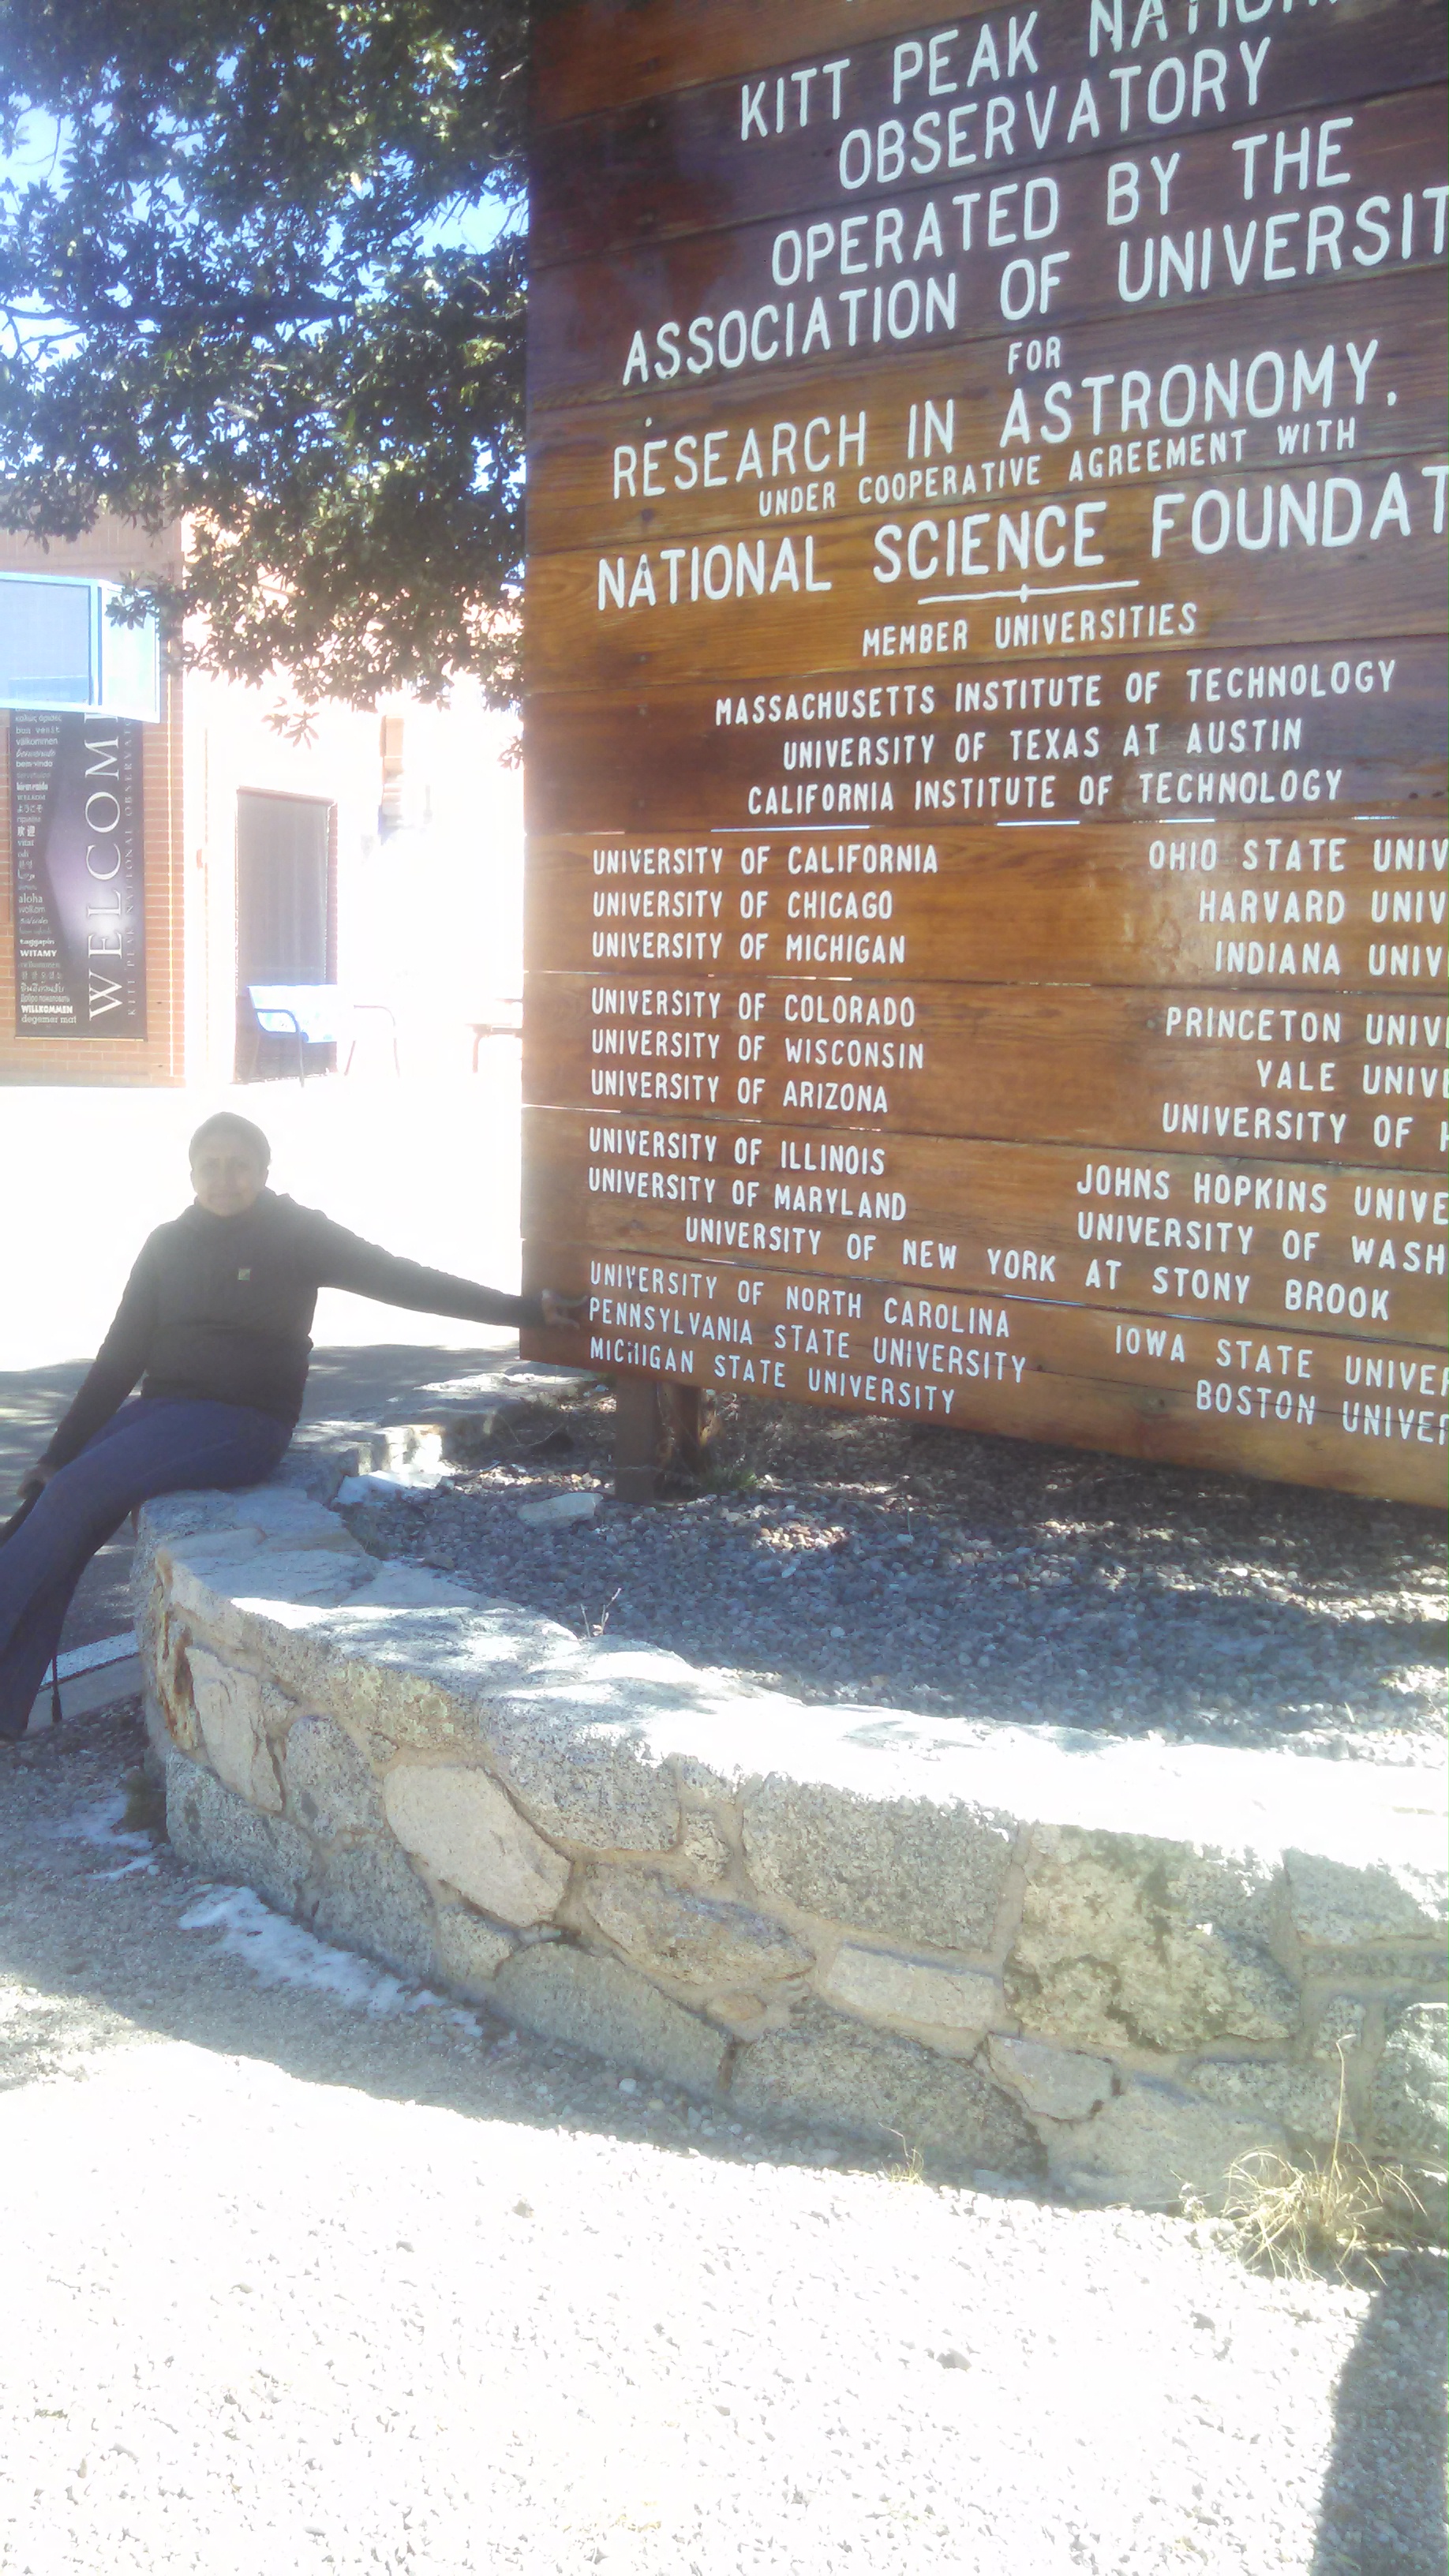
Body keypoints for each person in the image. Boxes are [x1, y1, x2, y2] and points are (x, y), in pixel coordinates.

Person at [0, 1110, 576, 1739]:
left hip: (244, 1422)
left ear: (265, 1170)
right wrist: (59, 1451)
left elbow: (404, 1280)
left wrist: (524, 1311)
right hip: (164, 1413)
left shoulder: (297, 1235)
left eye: (239, 1165)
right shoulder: (167, 1243)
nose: (224, 1179)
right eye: (209, 1167)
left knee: (78, 1492)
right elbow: (120, 1356)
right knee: (53, 1501)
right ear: (190, 1174)